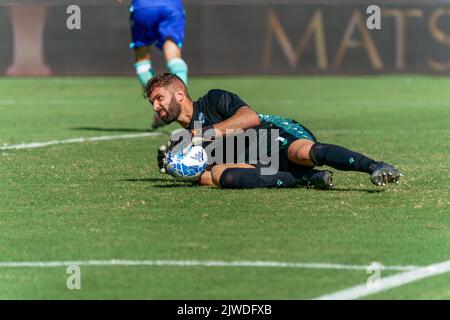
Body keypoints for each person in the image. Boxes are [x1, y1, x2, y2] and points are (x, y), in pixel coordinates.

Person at [144, 73, 402, 189]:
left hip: (274, 136)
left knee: (302, 152)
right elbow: (203, 171)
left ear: (179, 94)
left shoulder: (213, 100)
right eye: (152, 103)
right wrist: (177, 166)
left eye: (159, 98)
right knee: (216, 177)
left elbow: (250, 118)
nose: (156, 106)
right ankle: (304, 179)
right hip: (257, 165)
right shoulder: (184, 139)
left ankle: (375, 166)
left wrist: (202, 134)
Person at [125, 0, 188, 129]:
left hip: (143, 7)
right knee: (174, 58)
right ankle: (182, 108)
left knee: (142, 62)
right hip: (171, 6)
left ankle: (163, 108)